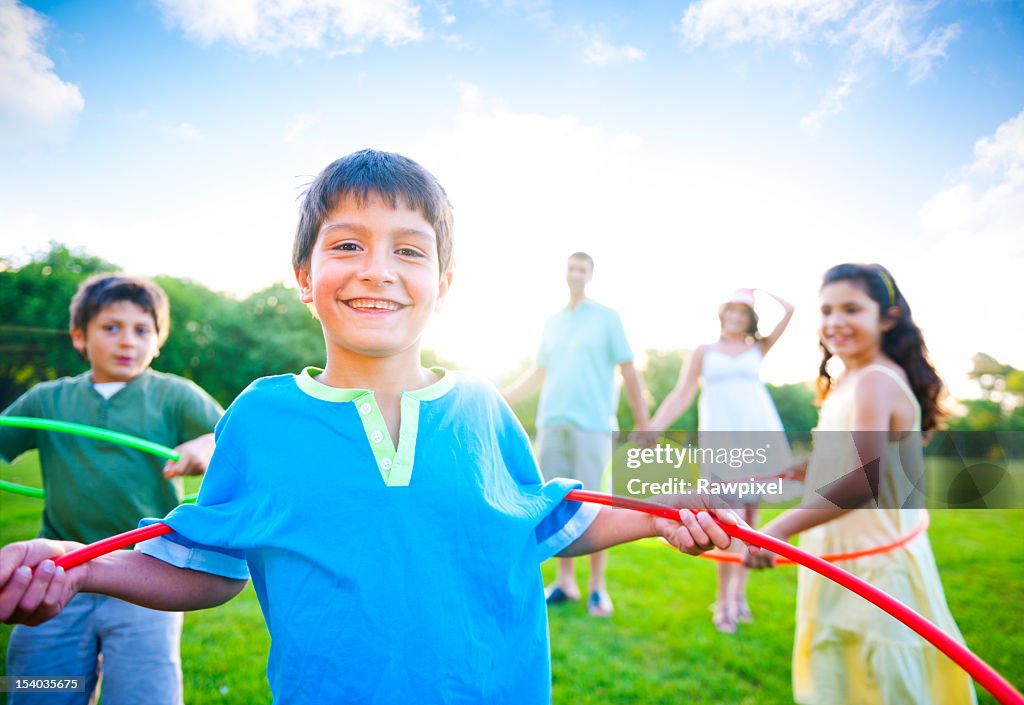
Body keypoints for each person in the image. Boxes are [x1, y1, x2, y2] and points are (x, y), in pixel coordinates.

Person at [0, 150, 741, 705]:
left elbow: (545, 516)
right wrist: (79, 563)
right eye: (347, 244)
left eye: (409, 250)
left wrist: (658, 513)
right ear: (304, 275)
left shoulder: (480, 404)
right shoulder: (261, 417)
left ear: (442, 287)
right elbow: (206, 564)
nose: (377, 269)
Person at [744, 264, 977, 705]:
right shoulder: (850, 379)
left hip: (876, 569)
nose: (835, 321)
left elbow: (861, 481)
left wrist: (776, 530)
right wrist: (770, 476)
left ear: (886, 317)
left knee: (885, 682)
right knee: (842, 679)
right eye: (827, 310)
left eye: (852, 308)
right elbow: (836, 457)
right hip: (838, 557)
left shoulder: (874, 380)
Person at [0, 274, 223, 705]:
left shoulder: (173, 395)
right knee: (40, 688)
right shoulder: (47, 400)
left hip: (148, 575)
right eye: (111, 327)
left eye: (142, 330)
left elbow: (232, 441)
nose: (127, 342)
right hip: (58, 568)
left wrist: (204, 445)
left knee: (144, 694)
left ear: (158, 342)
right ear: (79, 336)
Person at [502, 252, 650, 617]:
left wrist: (644, 423)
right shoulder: (552, 322)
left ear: (590, 275)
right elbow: (537, 374)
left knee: (596, 505)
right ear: (565, 273)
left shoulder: (606, 318)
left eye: (582, 268)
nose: (575, 273)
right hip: (552, 423)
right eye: (571, 267)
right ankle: (565, 582)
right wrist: (498, 397)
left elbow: (629, 370)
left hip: (593, 425)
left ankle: (597, 589)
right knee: (555, 504)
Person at [643, 287, 794, 633]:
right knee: (729, 520)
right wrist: (654, 426)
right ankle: (722, 602)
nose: (736, 318)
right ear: (722, 314)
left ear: (750, 319)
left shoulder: (758, 347)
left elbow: (790, 310)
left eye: (744, 313)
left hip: (759, 432)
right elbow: (682, 394)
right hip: (723, 438)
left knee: (751, 523)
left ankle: (740, 597)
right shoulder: (703, 351)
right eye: (732, 311)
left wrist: (764, 290)